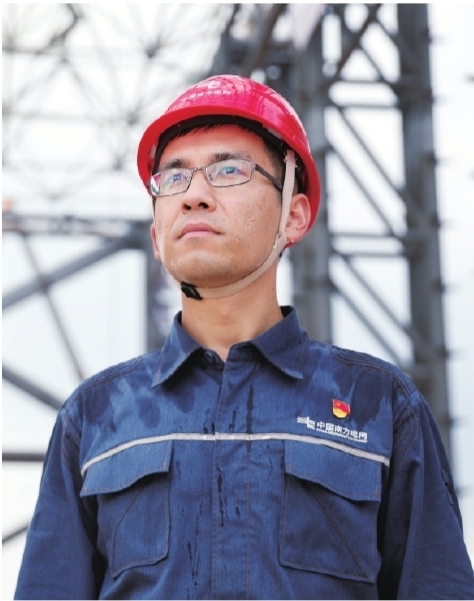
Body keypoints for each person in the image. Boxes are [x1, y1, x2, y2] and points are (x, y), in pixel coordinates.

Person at [14, 74, 473, 600]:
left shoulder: (381, 406)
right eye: (173, 177)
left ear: (293, 215)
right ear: (157, 235)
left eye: (229, 169)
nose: (194, 197)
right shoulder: (93, 418)